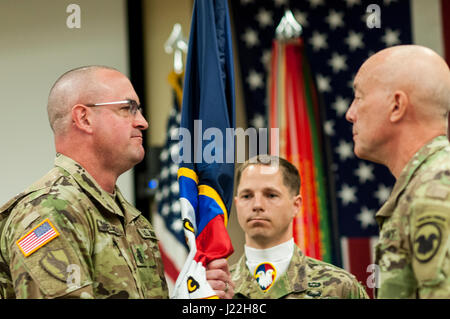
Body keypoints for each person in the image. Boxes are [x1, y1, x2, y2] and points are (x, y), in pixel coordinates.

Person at [0, 66, 233, 299]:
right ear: (84, 118)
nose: (142, 122)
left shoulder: (132, 220)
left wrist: (192, 299)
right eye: (127, 109)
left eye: (139, 110)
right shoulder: (49, 211)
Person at [345, 45, 450, 298]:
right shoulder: (425, 183)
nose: (350, 114)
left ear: (396, 106)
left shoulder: (434, 192)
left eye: (359, 98)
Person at [230, 155, 369, 299]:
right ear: (236, 204)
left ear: (296, 205)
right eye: (246, 196)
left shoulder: (340, 287)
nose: (257, 205)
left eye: (271, 195)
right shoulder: (214, 289)